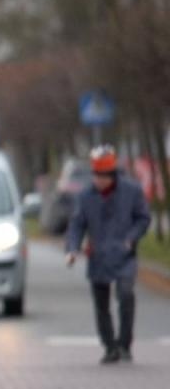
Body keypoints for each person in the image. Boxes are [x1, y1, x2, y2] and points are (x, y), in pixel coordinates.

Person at [66, 145, 151, 364]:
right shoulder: (86, 197)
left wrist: (131, 238)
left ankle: (124, 344)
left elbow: (143, 218)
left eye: (103, 176)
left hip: (124, 255)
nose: (99, 180)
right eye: (96, 176)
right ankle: (109, 346)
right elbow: (77, 225)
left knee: (125, 295)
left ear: (112, 175)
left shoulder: (131, 191)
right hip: (99, 256)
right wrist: (73, 249)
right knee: (101, 303)